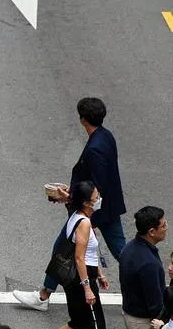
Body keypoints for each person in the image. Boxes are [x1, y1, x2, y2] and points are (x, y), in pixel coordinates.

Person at [13, 97, 127, 312]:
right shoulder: (106, 136)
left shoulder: (94, 149)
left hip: (92, 210)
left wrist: (70, 196)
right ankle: (154, 291)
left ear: (83, 119)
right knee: (122, 253)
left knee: (63, 248)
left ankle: (43, 296)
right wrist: (74, 190)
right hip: (108, 207)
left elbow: (97, 185)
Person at [26, 182, 107, 329]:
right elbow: (79, 258)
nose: (99, 199)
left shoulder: (77, 215)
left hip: (79, 278)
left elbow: (88, 254)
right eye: (96, 197)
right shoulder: (84, 223)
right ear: (87, 202)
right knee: (93, 328)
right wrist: (88, 288)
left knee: (78, 322)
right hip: (82, 279)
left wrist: (100, 274)